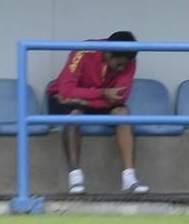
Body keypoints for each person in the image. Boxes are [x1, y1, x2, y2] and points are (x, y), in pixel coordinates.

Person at [46, 31, 149, 194]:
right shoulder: (84, 50)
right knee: (75, 114)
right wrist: (102, 94)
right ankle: (76, 179)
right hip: (66, 100)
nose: (122, 68)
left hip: (89, 100)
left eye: (125, 65)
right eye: (118, 64)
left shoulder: (129, 58)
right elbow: (65, 92)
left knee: (123, 112)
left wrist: (86, 100)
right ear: (107, 53)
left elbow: (119, 98)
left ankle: (129, 179)